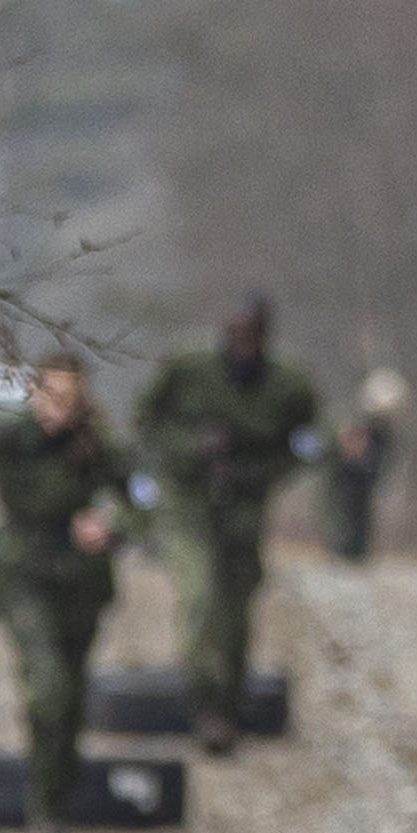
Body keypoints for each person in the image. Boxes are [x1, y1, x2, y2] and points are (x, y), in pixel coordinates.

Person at [0, 354, 135, 833]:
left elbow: (144, 497)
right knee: (46, 686)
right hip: (23, 572)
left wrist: (110, 525)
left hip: (80, 578)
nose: (60, 409)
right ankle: (44, 811)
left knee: (71, 694)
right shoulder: (7, 437)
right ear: (33, 395)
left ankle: (62, 789)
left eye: (70, 399)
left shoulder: (98, 445)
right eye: (51, 396)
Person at [133, 296, 320, 753]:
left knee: (236, 611)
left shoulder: (288, 385)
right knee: (198, 597)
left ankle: (230, 708)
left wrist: (266, 472)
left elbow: (312, 440)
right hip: (188, 502)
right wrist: (189, 449)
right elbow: (146, 420)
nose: (241, 344)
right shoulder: (187, 370)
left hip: (243, 507)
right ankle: (204, 703)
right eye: (234, 332)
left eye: (251, 334)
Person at [325, 368, 407, 565]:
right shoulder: (363, 423)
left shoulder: (384, 434)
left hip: (365, 474)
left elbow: (385, 456)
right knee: (348, 511)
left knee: (361, 513)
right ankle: (346, 549)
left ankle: (356, 551)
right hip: (351, 474)